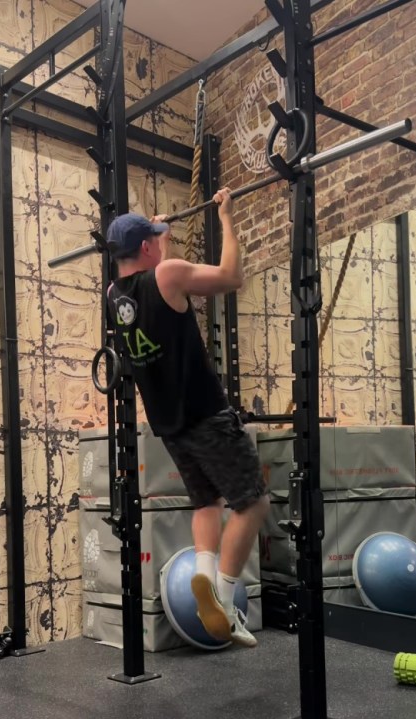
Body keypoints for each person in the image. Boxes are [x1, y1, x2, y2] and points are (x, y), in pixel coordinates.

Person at [106, 190, 270, 648]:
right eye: (155, 240)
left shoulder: (113, 295)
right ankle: (222, 592)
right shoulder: (169, 273)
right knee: (253, 504)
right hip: (207, 413)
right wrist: (226, 216)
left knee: (207, 503)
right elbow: (232, 277)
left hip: (170, 425)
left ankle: (203, 574)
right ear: (146, 248)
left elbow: (161, 284)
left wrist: (161, 239)